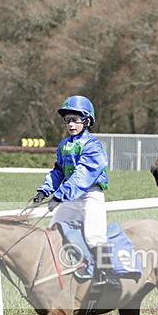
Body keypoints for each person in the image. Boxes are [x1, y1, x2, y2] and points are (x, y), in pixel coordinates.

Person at [33, 95, 120, 288]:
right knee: (54, 228)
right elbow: (57, 171)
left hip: (91, 194)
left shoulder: (93, 145)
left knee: (93, 235)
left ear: (87, 121)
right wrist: (44, 191)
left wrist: (59, 195)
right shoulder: (64, 146)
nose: (71, 124)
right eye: (67, 120)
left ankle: (109, 274)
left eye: (75, 120)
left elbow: (83, 175)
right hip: (71, 196)